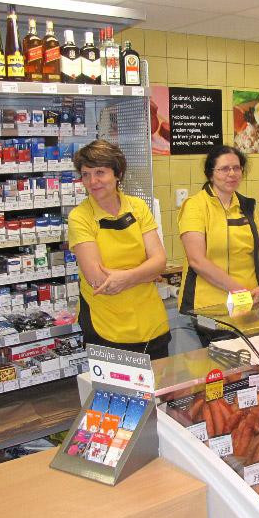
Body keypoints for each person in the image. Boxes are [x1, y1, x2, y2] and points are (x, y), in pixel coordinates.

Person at [68, 140, 170, 359]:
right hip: (107, 326)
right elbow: (98, 280)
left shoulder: (138, 207)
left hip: (151, 323)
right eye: (86, 174)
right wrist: (145, 272)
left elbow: (160, 261)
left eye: (100, 172)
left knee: (160, 382)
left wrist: (124, 277)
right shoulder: (80, 217)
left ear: (118, 174)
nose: (92, 181)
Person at [178, 146, 259, 344]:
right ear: (210, 173)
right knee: (225, 361)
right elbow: (197, 260)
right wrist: (240, 290)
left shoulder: (247, 206)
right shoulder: (195, 206)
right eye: (224, 169)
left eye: (236, 168)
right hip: (211, 310)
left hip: (250, 305)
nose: (232, 174)